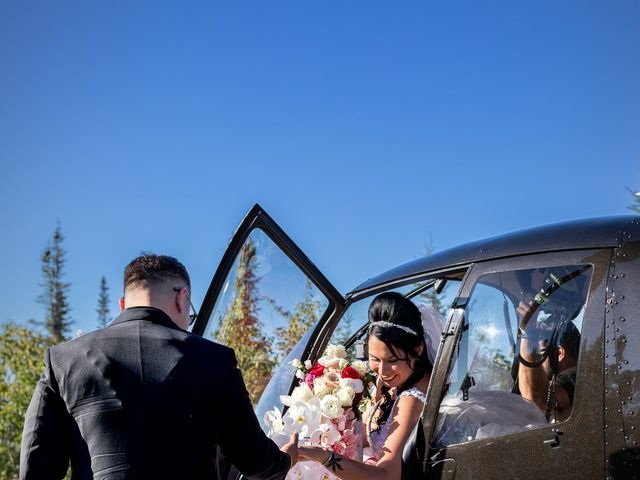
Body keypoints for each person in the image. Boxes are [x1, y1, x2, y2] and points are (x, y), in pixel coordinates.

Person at [20, 253, 298, 479]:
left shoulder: (63, 359)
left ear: (122, 305)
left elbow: (35, 468)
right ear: (182, 298)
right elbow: (255, 461)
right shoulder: (215, 359)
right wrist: (286, 460)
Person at [299, 292, 440, 480]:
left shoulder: (411, 400)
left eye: (392, 360)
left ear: (418, 350)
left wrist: (323, 457)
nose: (382, 370)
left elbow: (386, 476)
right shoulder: (397, 385)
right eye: (375, 359)